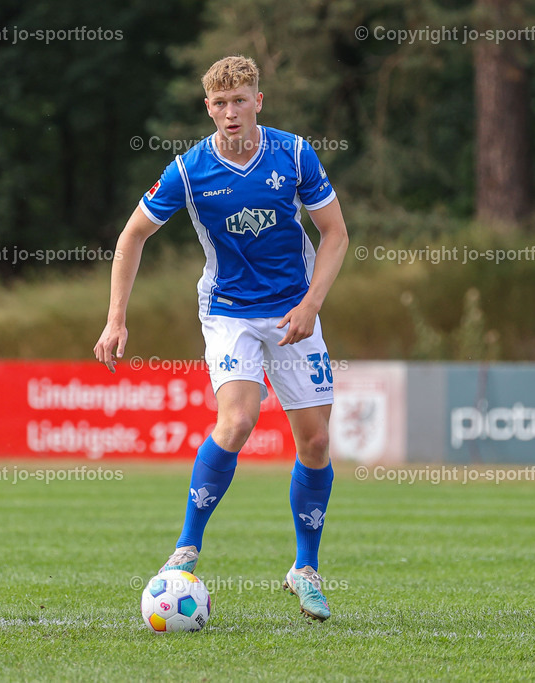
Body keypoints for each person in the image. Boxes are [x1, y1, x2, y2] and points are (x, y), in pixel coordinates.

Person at [93, 55, 349, 621]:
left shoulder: (295, 154)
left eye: (240, 100)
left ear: (259, 100)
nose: (230, 112)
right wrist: (116, 318)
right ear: (207, 107)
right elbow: (132, 236)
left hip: (293, 313)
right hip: (230, 311)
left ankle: (304, 568)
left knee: (315, 444)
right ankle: (186, 547)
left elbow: (335, 233)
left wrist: (311, 304)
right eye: (219, 103)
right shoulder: (189, 170)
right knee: (236, 421)